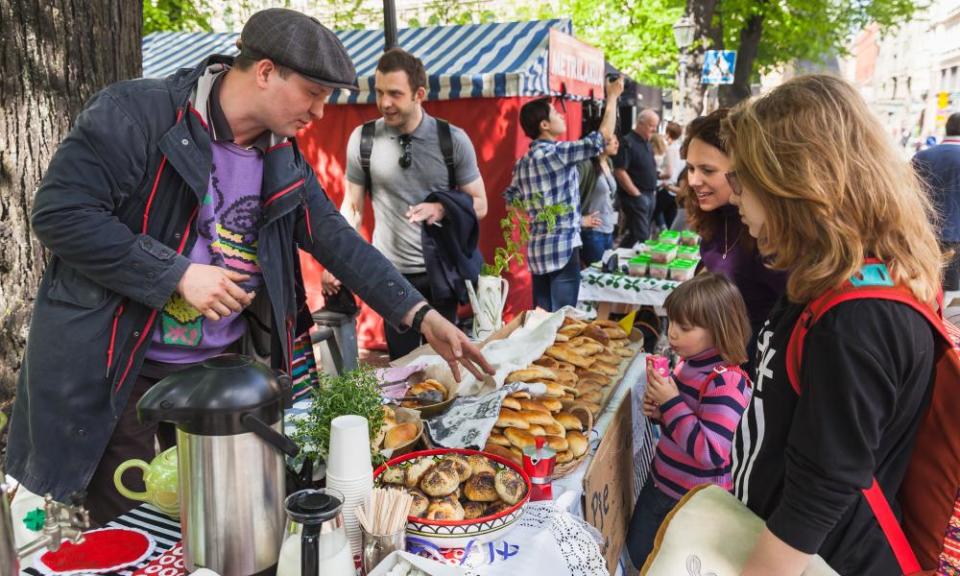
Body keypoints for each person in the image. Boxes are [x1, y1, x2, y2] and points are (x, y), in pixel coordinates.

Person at [3, 8, 493, 526]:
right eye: (313, 93)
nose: (321, 112)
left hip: (224, 384)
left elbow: (338, 241)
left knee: (220, 527)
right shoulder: (135, 113)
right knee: (132, 530)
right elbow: (61, 214)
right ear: (264, 72)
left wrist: (420, 313)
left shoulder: (283, 155)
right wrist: (177, 274)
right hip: (124, 379)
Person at [723, 74, 940, 575]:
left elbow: (817, 496)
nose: (737, 199)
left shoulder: (858, 319)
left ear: (792, 184)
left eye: (742, 181)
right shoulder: (828, 287)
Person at [323, 48, 487, 359]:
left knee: (446, 363)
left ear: (419, 94)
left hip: (441, 272)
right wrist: (335, 259)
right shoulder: (363, 139)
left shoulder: (452, 140)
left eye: (395, 94)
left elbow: (480, 204)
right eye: (379, 92)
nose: (385, 102)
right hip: (390, 275)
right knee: (404, 370)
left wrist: (442, 208)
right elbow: (353, 207)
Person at [626, 272, 753, 567]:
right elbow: (684, 424)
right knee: (639, 553)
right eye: (670, 323)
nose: (672, 334)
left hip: (693, 502)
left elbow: (710, 451)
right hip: (661, 483)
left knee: (672, 565)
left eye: (684, 327)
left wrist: (671, 403)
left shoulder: (726, 383)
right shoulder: (686, 365)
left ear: (719, 330)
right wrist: (661, 414)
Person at [503, 77, 624, 311]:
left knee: (541, 320)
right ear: (544, 125)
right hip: (563, 248)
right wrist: (612, 97)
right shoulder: (557, 154)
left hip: (538, 250)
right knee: (562, 320)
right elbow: (602, 138)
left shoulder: (522, 163)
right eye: (555, 114)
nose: (561, 116)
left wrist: (543, 216)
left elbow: (512, 204)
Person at [682, 109, 786, 350]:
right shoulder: (714, 218)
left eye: (707, 170)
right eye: (690, 168)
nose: (694, 180)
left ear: (745, 171)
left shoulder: (767, 231)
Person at [912, 111, 960, 292]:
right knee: (948, 288)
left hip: (923, 232)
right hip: (956, 234)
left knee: (924, 281)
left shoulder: (921, 156)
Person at [614, 109, 660, 246]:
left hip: (649, 195)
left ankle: (621, 257)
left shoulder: (647, 143)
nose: (654, 129)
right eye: (652, 125)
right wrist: (636, 194)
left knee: (636, 235)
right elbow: (619, 171)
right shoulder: (627, 142)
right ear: (641, 124)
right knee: (642, 235)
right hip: (637, 196)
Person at [578, 133, 620, 266]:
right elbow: (571, 193)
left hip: (608, 228)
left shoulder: (608, 162)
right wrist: (580, 219)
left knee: (607, 272)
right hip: (592, 231)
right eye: (612, 139)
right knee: (595, 275)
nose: (616, 143)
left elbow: (609, 194)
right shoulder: (586, 164)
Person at [652, 121, 683, 231]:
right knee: (670, 219)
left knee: (654, 211)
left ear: (668, 132)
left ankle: (663, 232)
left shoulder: (671, 149)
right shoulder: (680, 148)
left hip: (667, 187)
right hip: (675, 189)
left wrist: (655, 176)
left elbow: (669, 173)